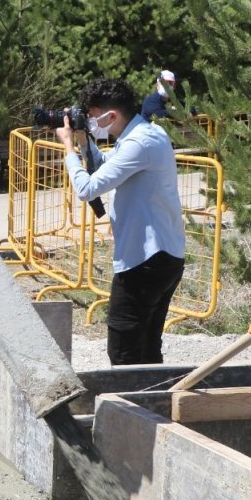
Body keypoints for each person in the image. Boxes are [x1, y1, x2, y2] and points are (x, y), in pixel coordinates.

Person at [58, 78, 184, 365]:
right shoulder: (144, 135)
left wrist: (67, 149)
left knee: (124, 351)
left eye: (90, 116)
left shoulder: (140, 142)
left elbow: (87, 189)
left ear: (110, 115)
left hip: (146, 260)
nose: (89, 121)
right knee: (147, 347)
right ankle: (154, 404)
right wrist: (82, 140)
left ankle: (129, 406)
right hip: (162, 255)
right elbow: (105, 165)